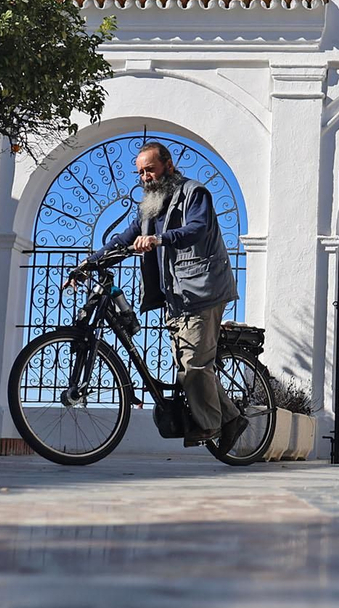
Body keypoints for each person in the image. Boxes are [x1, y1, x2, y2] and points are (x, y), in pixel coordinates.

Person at [87, 141, 247, 453]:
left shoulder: (194, 193)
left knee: (193, 364)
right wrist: (90, 262)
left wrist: (159, 239)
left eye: (150, 169)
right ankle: (232, 418)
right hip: (176, 296)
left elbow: (197, 229)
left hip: (203, 290)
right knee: (194, 364)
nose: (145, 176)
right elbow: (124, 239)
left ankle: (211, 424)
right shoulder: (149, 206)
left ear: (168, 166)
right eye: (140, 172)